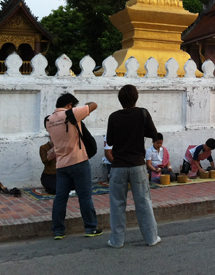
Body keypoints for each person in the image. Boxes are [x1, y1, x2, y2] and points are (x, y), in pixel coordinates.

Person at [106, 85, 160, 249]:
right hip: (137, 164)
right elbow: (154, 134)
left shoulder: (113, 116)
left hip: (118, 165)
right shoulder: (142, 113)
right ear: (136, 98)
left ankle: (117, 241)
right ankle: (151, 238)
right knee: (143, 202)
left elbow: (110, 141)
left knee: (117, 204)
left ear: (120, 100)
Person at [45, 93, 102, 240]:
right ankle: (90, 227)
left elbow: (56, 142)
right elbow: (93, 105)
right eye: (74, 105)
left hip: (61, 165)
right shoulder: (72, 114)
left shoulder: (48, 121)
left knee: (60, 198)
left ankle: (58, 231)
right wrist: (81, 107)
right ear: (70, 105)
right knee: (84, 196)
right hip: (79, 162)